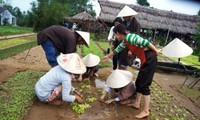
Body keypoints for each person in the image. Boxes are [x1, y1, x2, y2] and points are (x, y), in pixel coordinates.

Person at [102, 24, 159, 119]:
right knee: (139, 82)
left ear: (117, 33)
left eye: (115, 35)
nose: (115, 37)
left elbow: (146, 42)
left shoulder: (131, 37)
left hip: (150, 59)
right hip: (145, 59)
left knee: (144, 85)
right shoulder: (125, 41)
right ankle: (137, 103)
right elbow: (117, 50)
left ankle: (145, 111)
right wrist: (107, 56)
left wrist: (155, 51)